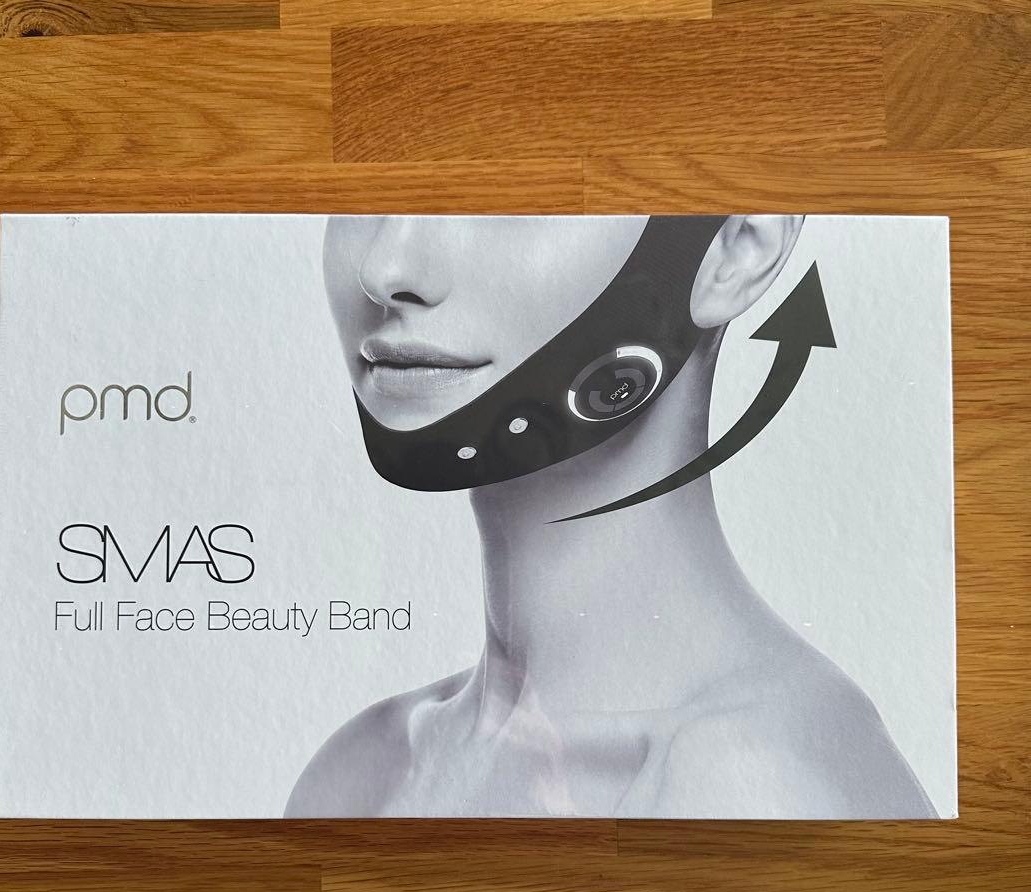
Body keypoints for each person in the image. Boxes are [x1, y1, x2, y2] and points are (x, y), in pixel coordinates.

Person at [286, 214, 935, 818]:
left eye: (515, 191)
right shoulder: (360, 776)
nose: (385, 268)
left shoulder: (750, 788)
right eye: (363, 192)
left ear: (738, 247)